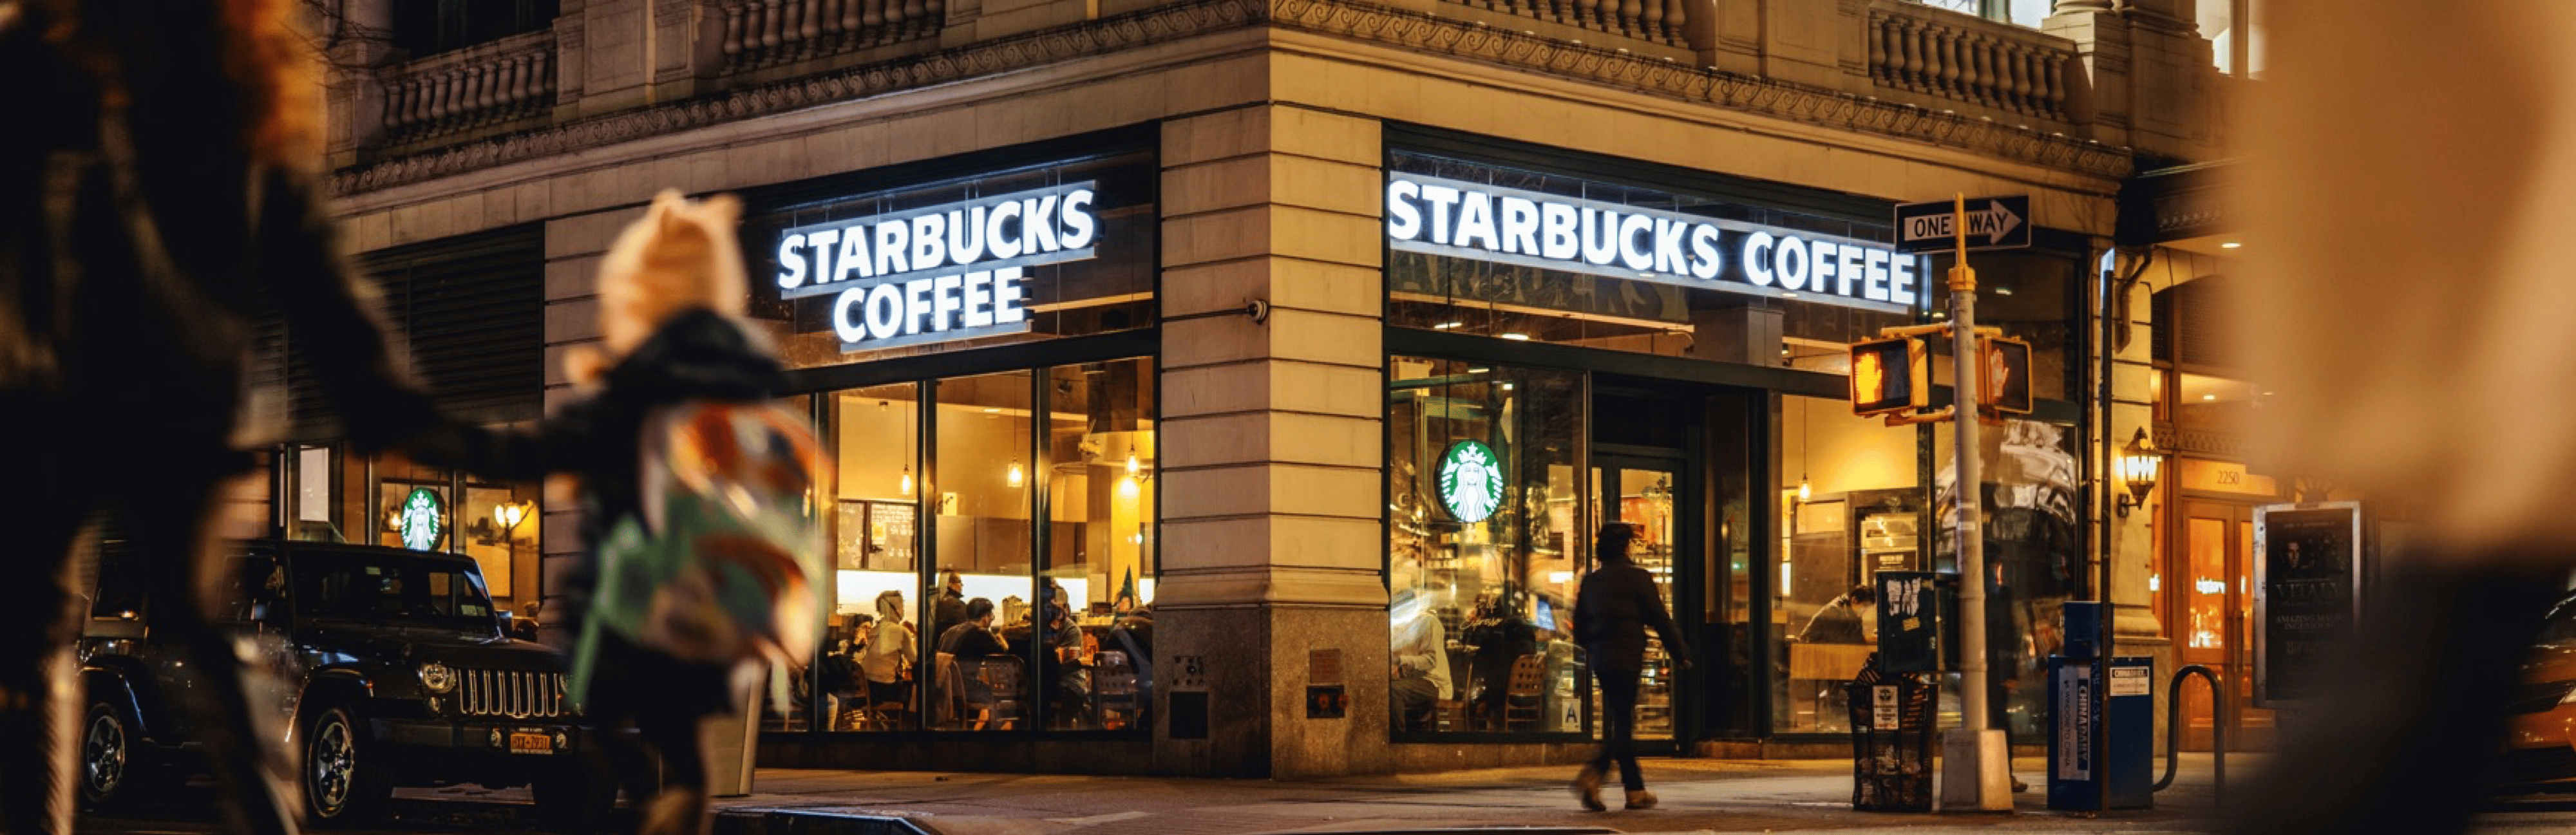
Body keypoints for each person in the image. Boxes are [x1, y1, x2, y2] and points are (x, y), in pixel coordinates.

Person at [0, 2, 484, 831]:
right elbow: (302, 253)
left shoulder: (46, 50)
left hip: (64, 388)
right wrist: (376, 394)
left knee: (35, 627)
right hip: (184, 400)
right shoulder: (231, 66)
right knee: (195, 627)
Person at [1572, 523, 1690, 811]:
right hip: (1627, 657)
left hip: (1601, 659)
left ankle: (1635, 790)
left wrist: (1594, 648)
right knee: (1622, 724)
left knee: (1618, 720)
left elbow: (1580, 628)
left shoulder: (1591, 582)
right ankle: (1595, 771)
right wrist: (1679, 654)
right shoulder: (1638, 579)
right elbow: (1660, 619)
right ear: (1625, 547)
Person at [1463, 595, 1539, 729]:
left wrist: (1474, 628)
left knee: (1473, 686)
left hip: (1502, 695)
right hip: (1532, 693)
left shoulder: (1498, 631)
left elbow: (1476, 651)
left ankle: (1476, 730)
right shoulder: (1526, 629)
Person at [1388, 588, 1452, 729]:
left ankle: (1398, 740)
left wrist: (1400, 661)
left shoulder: (1428, 622)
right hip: (1409, 680)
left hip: (1432, 682)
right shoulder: (1398, 626)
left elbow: (1431, 661)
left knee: (1393, 690)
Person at [860, 591, 916, 713]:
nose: (903, 611)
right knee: (914, 689)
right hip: (884, 690)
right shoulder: (901, 631)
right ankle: (909, 727)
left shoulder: (874, 630)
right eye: (902, 607)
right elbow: (914, 659)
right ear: (895, 609)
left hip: (868, 688)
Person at [1796, 585, 1876, 644]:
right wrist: (1864, 639)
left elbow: (1856, 637)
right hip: (1809, 650)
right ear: (1854, 600)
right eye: (1865, 606)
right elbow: (1836, 640)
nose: (1866, 611)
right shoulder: (1834, 611)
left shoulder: (1854, 614)